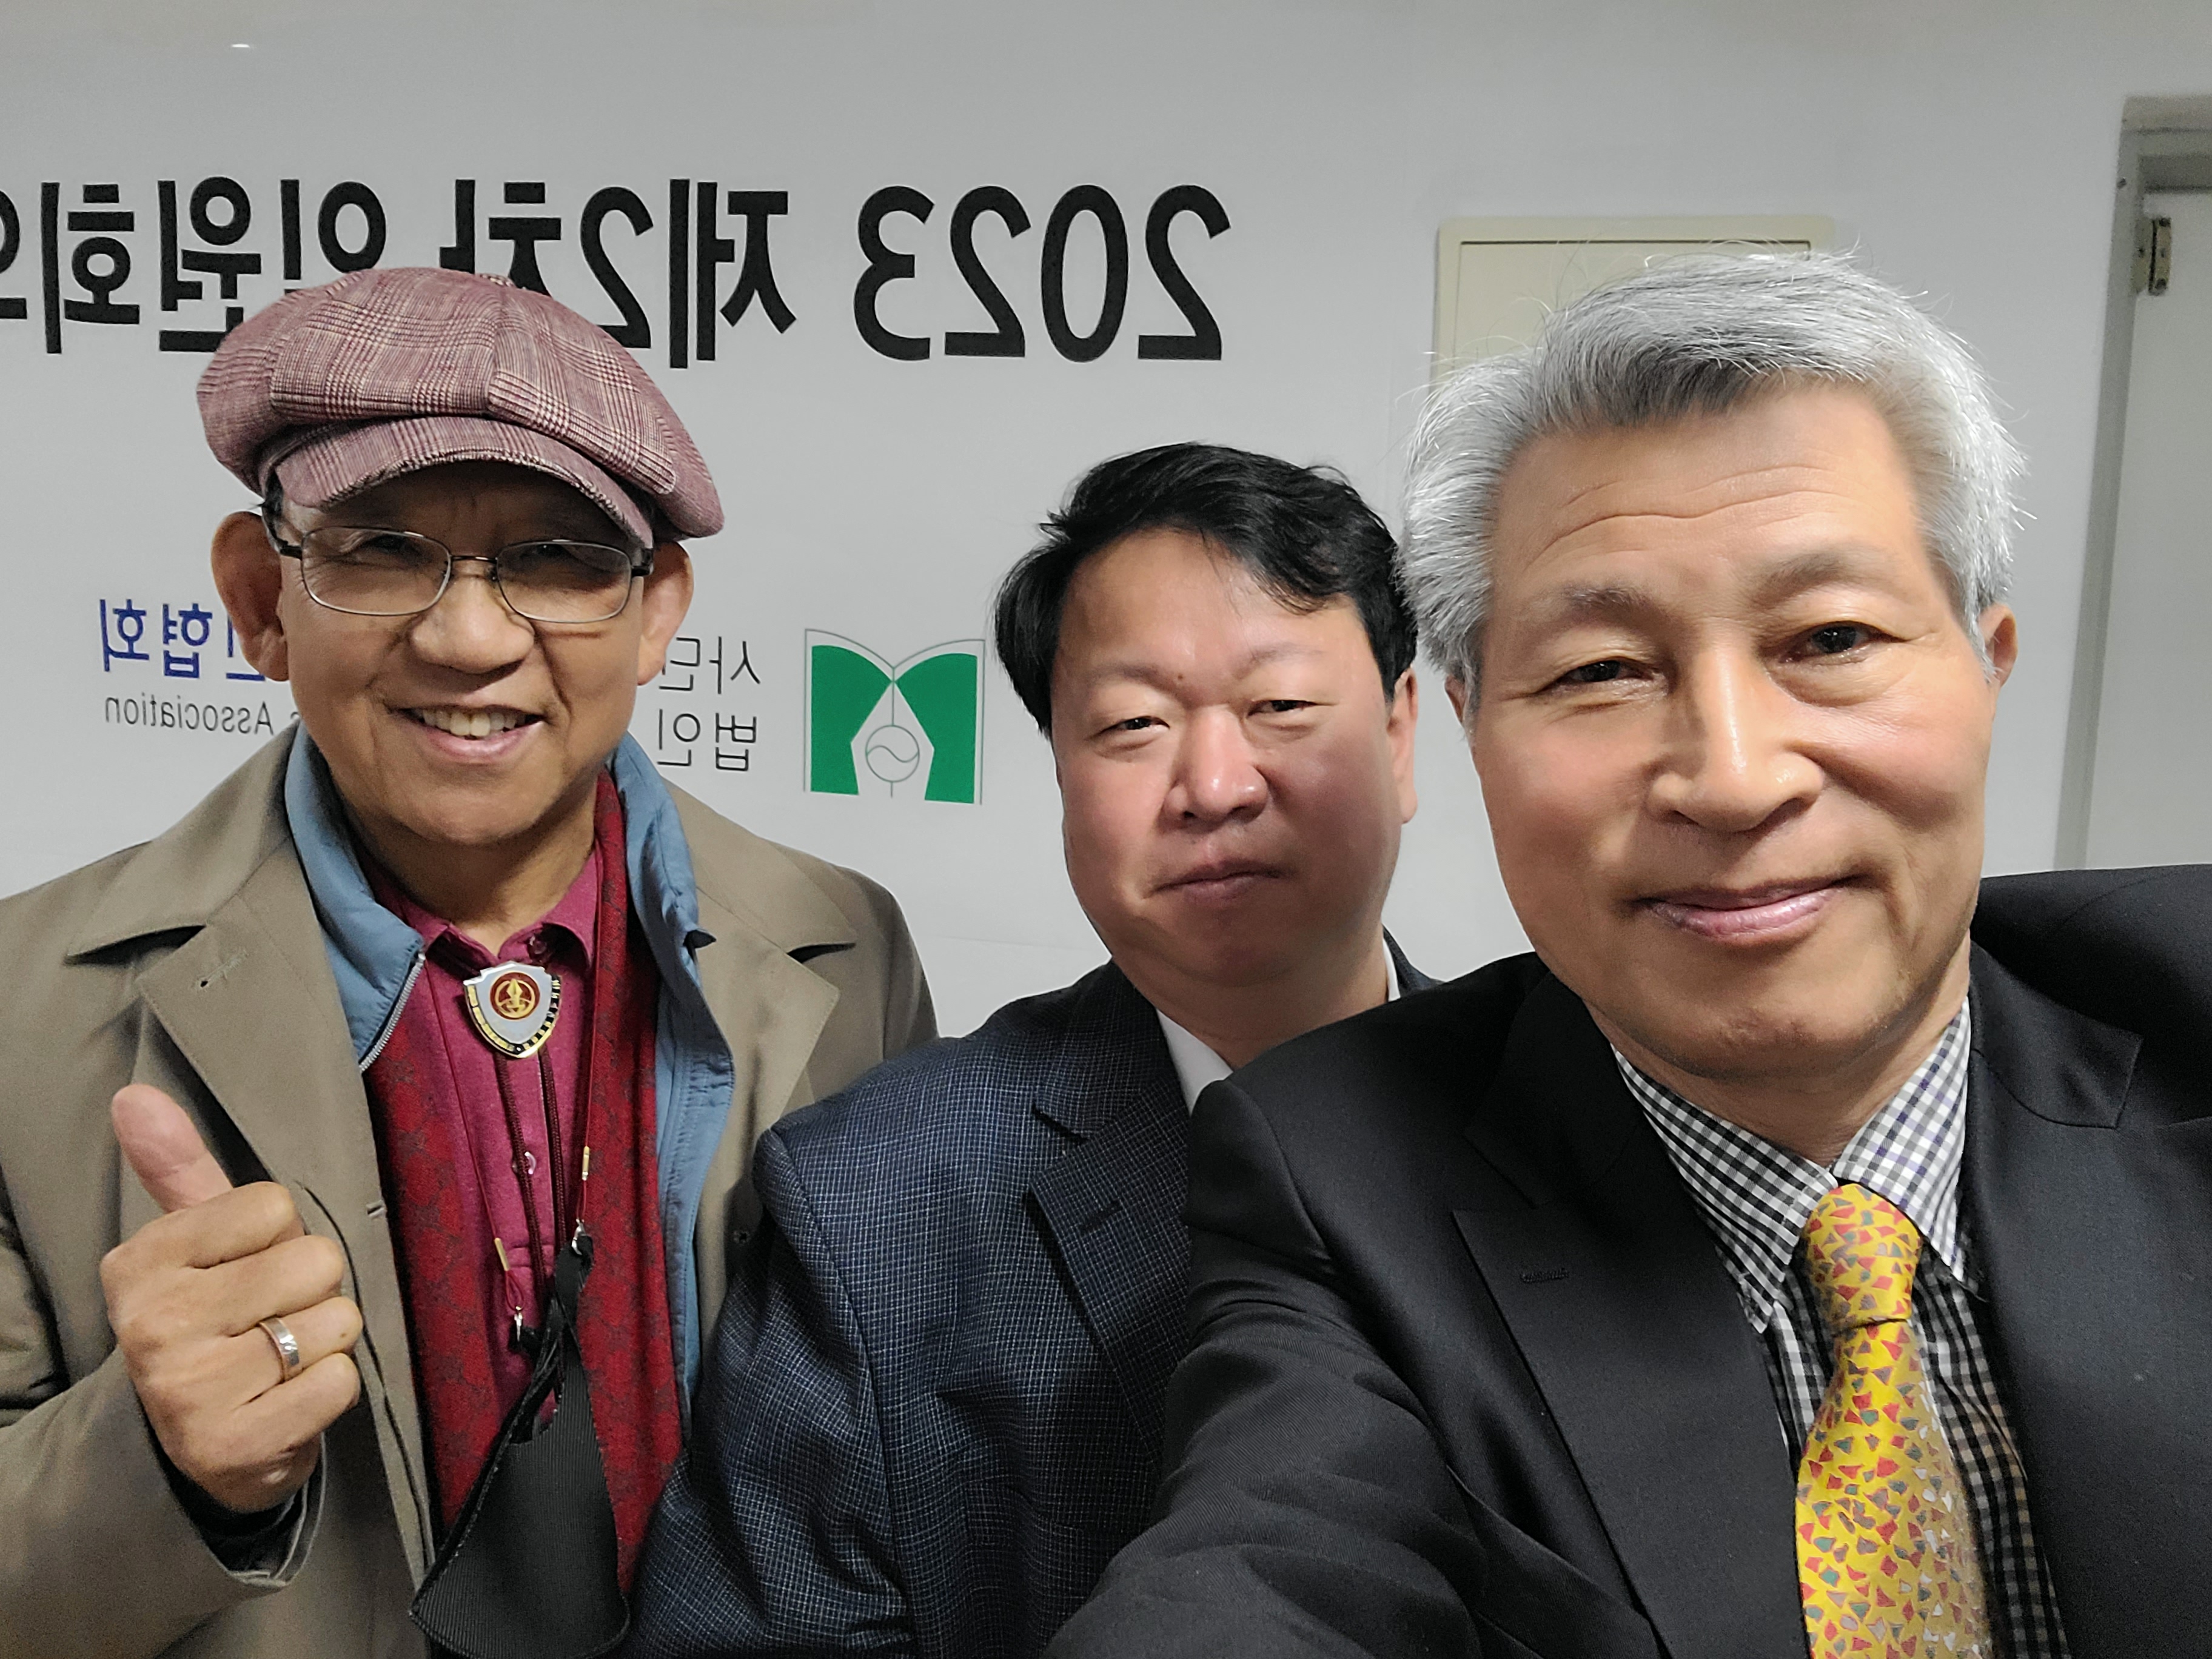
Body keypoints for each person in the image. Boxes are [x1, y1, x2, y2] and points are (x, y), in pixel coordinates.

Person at [1050, 256, 2212, 1659]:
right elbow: (1268, 1565)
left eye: (1832, 638)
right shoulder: (1340, 1178)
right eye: (1600, 669)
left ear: (1989, 664)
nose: (1733, 779)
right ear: (1470, 728)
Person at [0, 267, 934, 1659]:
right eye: (382, 550)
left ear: (657, 613)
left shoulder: (847, 953)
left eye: (558, 559)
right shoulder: (26, 1005)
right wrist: (161, 1466)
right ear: (260, 599)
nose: (470, 638)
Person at [623, 442, 1430, 1659]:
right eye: (1134, 724)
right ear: (1059, 767)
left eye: (1280, 708)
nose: (1215, 784)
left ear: (1401, 733)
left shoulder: (1581, 1117)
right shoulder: (872, 1203)